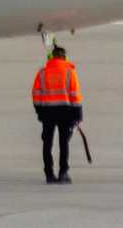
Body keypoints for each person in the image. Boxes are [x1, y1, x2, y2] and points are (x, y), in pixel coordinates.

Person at [30, 44, 83, 184]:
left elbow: (36, 94)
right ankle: (63, 172)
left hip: (47, 111)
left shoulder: (42, 72)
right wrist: (78, 115)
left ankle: (49, 174)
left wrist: (39, 111)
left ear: (52, 57)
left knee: (47, 143)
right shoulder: (69, 72)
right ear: (64, 57)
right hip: (65, 111)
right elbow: (75, 95)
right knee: (63, 143)